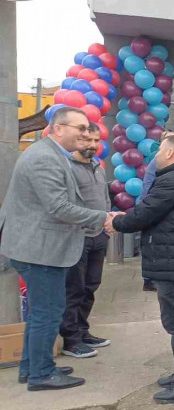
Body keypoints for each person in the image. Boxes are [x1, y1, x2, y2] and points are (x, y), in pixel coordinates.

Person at [0, 107, 113, 391]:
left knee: (42, 312)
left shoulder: (50, 154)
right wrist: (103, 218)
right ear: (58, 128)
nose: (86, 135)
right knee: (48, 313)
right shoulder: (44, 158)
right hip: (40, 250)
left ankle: (31, 367)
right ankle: (41, 373)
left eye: (88, 130)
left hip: (40, 247)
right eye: (81, 129)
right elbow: (59, 207)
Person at [110, 135, 174, 403]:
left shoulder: (171, 181)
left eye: (158, 152)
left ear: (168, 152)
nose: (154, 156)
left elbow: (143, 215)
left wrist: (117, 222)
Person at [59, 124, 113, 359]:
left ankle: (82, 331)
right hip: (76, 238)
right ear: (76, 140)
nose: (91, 145)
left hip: (98, 236)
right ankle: (70, 340)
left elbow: (105, 199)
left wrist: (106, 227)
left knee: (91, 287)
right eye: (86, 140)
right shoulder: (66, 168)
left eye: (95, 140)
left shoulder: (98, 167)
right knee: (74, 289)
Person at [139, 128, 174, 292]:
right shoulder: (158, 160)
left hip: (160, 206)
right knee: (151, 244)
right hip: (153, 206)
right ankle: (148, 279)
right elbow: (148, 184)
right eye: (168, 139)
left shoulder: (171, 160)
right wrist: (148, 205)